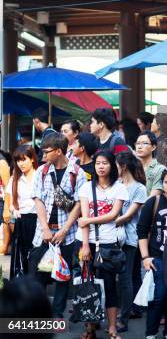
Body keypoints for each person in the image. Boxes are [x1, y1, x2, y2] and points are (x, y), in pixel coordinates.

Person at [28, 133, 87, 319]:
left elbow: (79, 204)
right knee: (37, 275)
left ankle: (57, 314)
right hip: (42, 232)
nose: (43, 156)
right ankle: (38, 312)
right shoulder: (42, 171)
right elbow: (38, 200)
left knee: (63, 276)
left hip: (67, 233)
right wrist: (45, 228)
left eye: (46, 152)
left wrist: (65, 230)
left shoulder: (77, 173)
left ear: (59, 151)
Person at [78, 150, 129, 339]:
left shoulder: (119, 187)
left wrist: (89, 221)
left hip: (109, 243)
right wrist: (84, 245)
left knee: (110, 286)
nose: (101, 166)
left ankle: (113, 327)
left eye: (105, 163)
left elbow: (114, 215)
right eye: (98, 163)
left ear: (111, 165)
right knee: (88, 286)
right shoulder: (86, 188)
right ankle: (90, 327)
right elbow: (83, 218)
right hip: (87, 242)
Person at [138, 167, 167, 339]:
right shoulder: (154, 201)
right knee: (159, 296)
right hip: (157, 256)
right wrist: (145, 257)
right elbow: (142, 230)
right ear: (162, 183)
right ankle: (151, 333)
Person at [115, 151, 147, 332]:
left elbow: (128, 216)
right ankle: (134, 308)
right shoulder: (116, 184)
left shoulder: (139, 188)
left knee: (126, 278)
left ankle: (123, 317)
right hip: (117, 236)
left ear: (123, 167)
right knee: (132, 275)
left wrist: (105, 219)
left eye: (116, 165)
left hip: (129, 237)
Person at [6, 145, 38, 276]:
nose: (21, 164)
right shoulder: (15, 179)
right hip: (21, 220)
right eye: (18, 161)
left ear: (32, 159)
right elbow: (11, 202)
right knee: (21, 256)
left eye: (24, 159)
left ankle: (36, 288)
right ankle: (23, 289)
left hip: (38, 220)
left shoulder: (40, 175)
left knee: (36, 256)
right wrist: (14, 211)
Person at [135, 132, 165, 196]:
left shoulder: (159, 169)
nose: (139, 147)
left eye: (144, 143)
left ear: (153, 147)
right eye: (138, 143)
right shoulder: (132, 167)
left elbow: (153, 198)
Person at [0, 150, 11, 255]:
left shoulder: (1, 162)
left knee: (5, 222)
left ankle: (5, 247)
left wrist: (6, 207)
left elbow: (7, 186)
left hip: (1, 201)